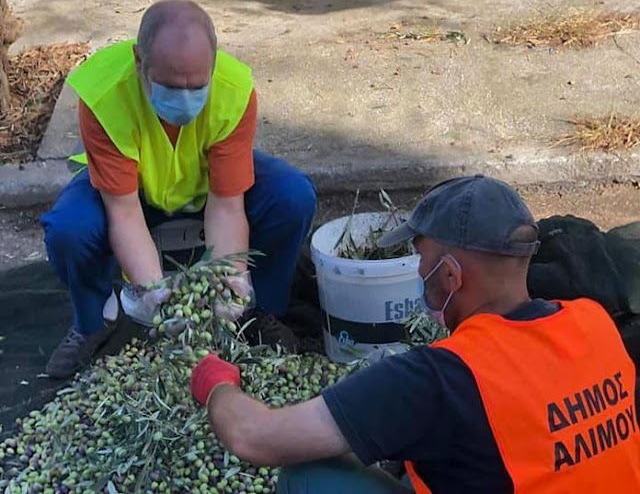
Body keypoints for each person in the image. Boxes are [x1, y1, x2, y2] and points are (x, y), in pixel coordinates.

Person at [189, 175, 640, 493]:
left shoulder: (440, 378)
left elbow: (255, 437)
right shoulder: (594, 320)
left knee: (309, 476)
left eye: (420, 259)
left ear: (450, 276)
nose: (418, 271)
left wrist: (216, 384)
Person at [40, 0, 316, 378]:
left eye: (197, 87)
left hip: (204, 187)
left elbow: (227, 205)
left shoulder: (234, 91)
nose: (186, 101)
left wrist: (230, 277)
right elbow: (123, 212)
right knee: (69, 229)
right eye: (170, 87)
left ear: (213, 65)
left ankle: (258, 311)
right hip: (128, 193)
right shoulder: (104, 96)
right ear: (140, 62)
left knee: (292, 196)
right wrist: (154, 291)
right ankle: (95, 320)